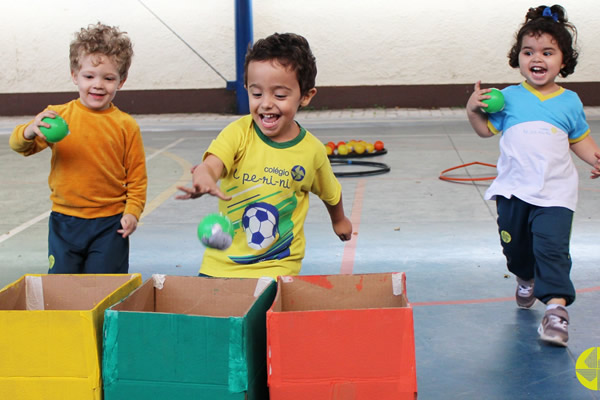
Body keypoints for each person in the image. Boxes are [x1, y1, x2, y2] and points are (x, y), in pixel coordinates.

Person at [467, 5, 600, 347]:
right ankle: (524, 277)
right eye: (528, 52)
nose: (536, 58)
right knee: (517, 252)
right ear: (519, 58)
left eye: (547, 52)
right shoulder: (507, 99)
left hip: (556, 194)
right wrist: (472, 109)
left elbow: (579, 139)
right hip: (513, 192)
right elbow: (484, 131)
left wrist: (597, 159)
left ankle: (556, 310)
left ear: (563, 62)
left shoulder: (569, 102)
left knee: (553, 250)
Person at [177, 32, 352, 279]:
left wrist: (339, 220)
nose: (266, 104)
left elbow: (331, 193)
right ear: (247, 89)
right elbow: (213, 163)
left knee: (264, 315)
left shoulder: (312, 151)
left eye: (279, 95)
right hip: (221, 262)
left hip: (277, 266)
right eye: (256, 94)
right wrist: (205, 178)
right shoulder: (238, 133)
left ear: (305, 96)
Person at [9, 22, 147, 274]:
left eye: (108, 78)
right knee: (62, 288)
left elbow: (137, 178)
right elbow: (19, 146)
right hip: (65, 222)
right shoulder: (57, 117)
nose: (98, 85)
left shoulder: (126, 125)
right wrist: (30, 130)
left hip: (110, 224)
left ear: (121, 81)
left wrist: (133, 213)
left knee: (104, 287)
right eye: (89, 76)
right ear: (74, 75)